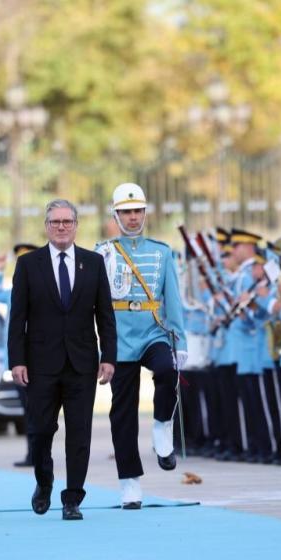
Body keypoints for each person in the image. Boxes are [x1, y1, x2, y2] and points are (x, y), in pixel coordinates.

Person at [8, 199, 117, 521]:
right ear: (46, 226)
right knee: (41, 430)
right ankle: (44, 482)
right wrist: (17, 360)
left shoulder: (93, 263)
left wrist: (108, 357)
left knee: (79, 433)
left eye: (67, 221)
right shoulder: (29, 264)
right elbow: (18, 318)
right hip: (40, 364)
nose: (61, 227)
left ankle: (73, 498)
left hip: (82, 364)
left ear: (76, 225)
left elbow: (106, 316)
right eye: (55, 222)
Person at [96, 183, 187, 509]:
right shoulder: (102, 252)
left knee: (166, 369)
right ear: (116, 215)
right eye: (126, 212)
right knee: (122, 413)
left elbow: (172, 300)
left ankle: (163, 427)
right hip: (118, 337)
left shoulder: (161, 252)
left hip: (153, 331)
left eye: (137, 211)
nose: (133, 218)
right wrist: (97, 346)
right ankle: (130, 483)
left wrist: (180, 339)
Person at [0, 243, 37, 467]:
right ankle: (33, 453)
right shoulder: (13, 292)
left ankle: (37, 452)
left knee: (37, 410)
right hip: (19, 363)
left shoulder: (43, 289)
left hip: (39, 360)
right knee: (28, 410)